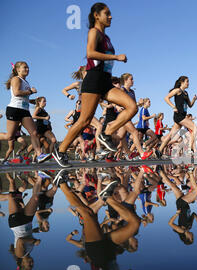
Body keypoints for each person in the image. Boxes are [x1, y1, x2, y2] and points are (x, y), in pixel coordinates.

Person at [54, 2, 137, 167]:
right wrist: (116, 57)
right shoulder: (94, 32)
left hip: (105, 80)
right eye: (107, 13)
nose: (111, 16)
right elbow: (90, 53)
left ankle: (106, 133)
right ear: (96, 16)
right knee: (84, 120)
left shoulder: (106, 37)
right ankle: (60, 150)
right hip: (93, 80)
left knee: (132, 107)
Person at [0, 61, 51, 163]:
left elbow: (24, 97)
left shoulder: (26, 82)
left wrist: (33, 101)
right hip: (14, 110)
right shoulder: (16, 79)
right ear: (18, 70)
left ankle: (39, 154)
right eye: (25, 68)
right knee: (10, 136)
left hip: (24, 111)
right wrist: (31, 92)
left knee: (34, 132)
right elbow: (17, 93)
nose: (27, 69)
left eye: (28, 68)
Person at [156, 76, 197, 158]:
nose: (188, 83)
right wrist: (173, 107)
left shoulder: (186, 93)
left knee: (171, 134)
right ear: (182, 82)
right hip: (178, 115)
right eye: (187, 81)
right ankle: (190, 149)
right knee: (194, 128)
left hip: (182, 115)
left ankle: (159, 150)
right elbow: (166, 98)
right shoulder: (177, 90)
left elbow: (190, 105)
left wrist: (194, 100)